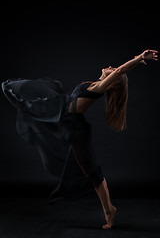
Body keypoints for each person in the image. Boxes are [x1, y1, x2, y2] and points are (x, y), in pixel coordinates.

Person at [1, 49, 158, 230]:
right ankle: (109, 209)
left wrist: (138, 59)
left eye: (112, 70)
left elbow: (119, 72)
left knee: (91, 172)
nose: (110, 67)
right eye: (112, 68)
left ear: (112, 82)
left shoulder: (97, 89)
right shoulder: (94, 85)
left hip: (75, 129)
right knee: (88, 170)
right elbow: (116, 73)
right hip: (64, 118)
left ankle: (109, 210)